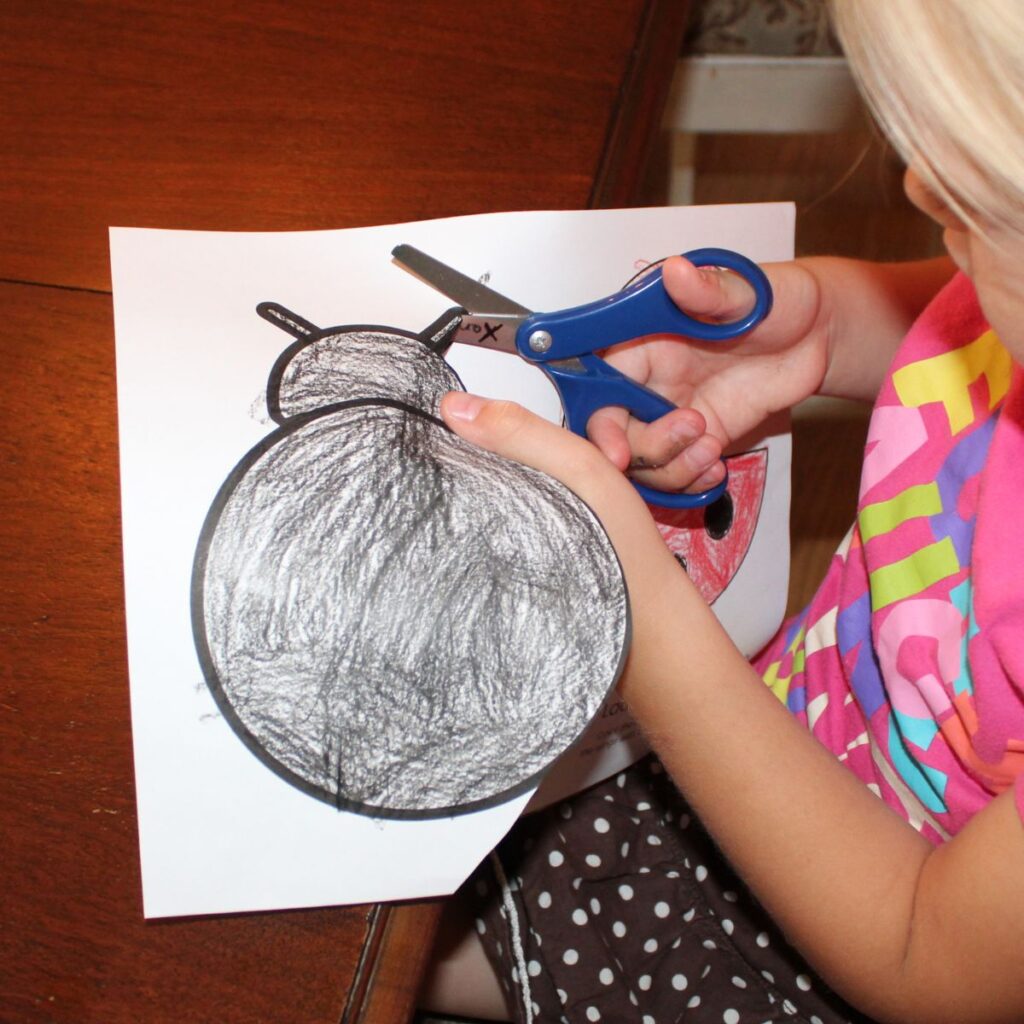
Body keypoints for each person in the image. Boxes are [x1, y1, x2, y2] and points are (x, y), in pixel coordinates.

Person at [420, 1, 1024, 1021]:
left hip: (841, 935)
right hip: (790, 714)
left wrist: (644, 619)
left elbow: (930, 964)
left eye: (980, 193)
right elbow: (969, 315)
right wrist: (825, 324)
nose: (918, 189)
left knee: (350, 953)